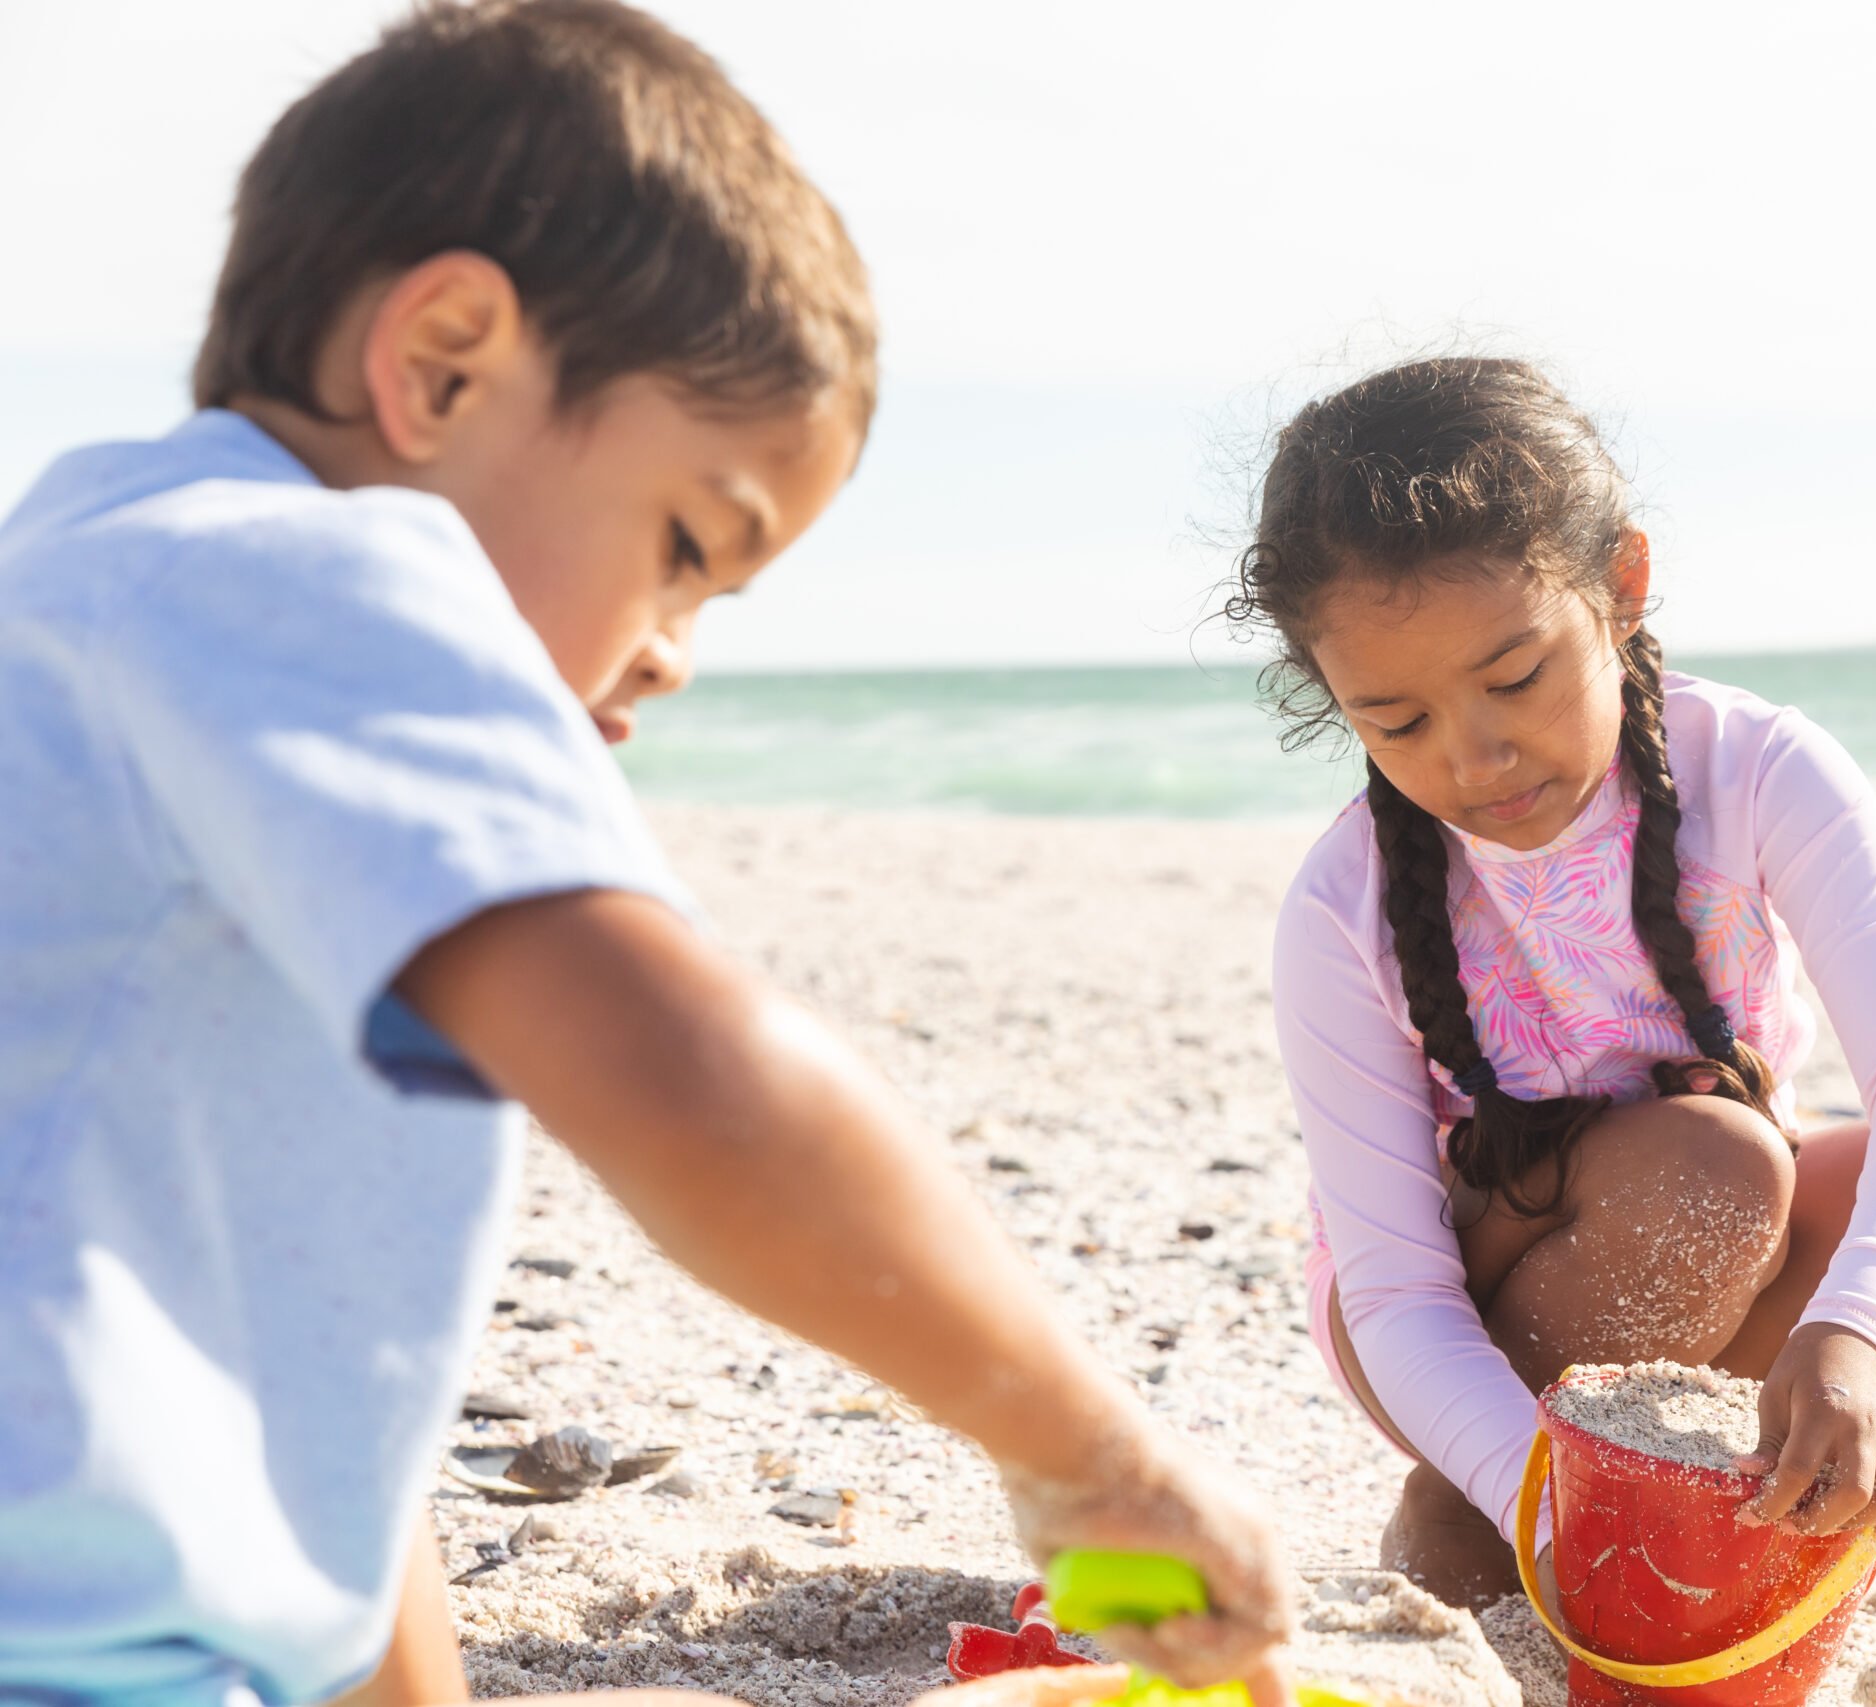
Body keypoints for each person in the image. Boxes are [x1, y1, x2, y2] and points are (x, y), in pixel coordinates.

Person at [0, 5, 1292, 1703]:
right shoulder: (298, 569)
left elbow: (323, 1396)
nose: (674, 647)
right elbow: (696, 1075)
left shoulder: (111, 608)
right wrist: (1089, 1449)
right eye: (687, 544)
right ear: (444, 361)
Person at [1231, 357, 1876, 1606]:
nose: (1475, 754)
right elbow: (1397, 1288)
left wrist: (1862, 1332)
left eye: (1514, 677)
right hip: (1450, 1328)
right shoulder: (1340, 910)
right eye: (1395, 721)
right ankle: (1508, 1503)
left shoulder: (1762, 769)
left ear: (1619, 586)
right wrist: (1540, 1502)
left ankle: (1729, 1514)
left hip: (1716, 1236)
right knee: (1713, 1170)